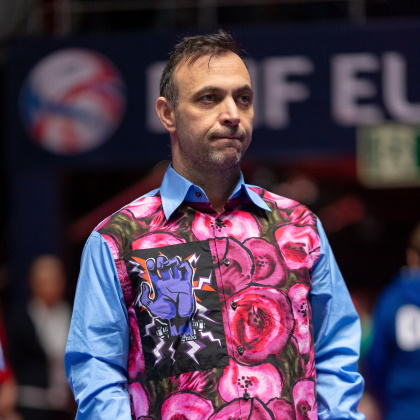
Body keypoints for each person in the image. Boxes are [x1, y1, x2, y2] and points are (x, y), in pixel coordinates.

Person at [65, 29, 365, 419]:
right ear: (167, 113)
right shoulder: (119, 240)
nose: (232, 114)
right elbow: (98, 373)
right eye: (209, 98)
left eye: (243, 98)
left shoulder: (298, 228)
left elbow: (335, 352)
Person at [6, 255, 74, 420]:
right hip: (29, 404)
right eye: (43, 282)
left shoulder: (74, 314)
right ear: (32, 284)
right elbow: (10, 361)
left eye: (54, 281)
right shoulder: (19, 318)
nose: (49, 287)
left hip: (66, 406)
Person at [365, 222, 420, 420]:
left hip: (402, 409)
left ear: (411, 256)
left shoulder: (394, 297)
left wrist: (380, 399)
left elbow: (376, 358)